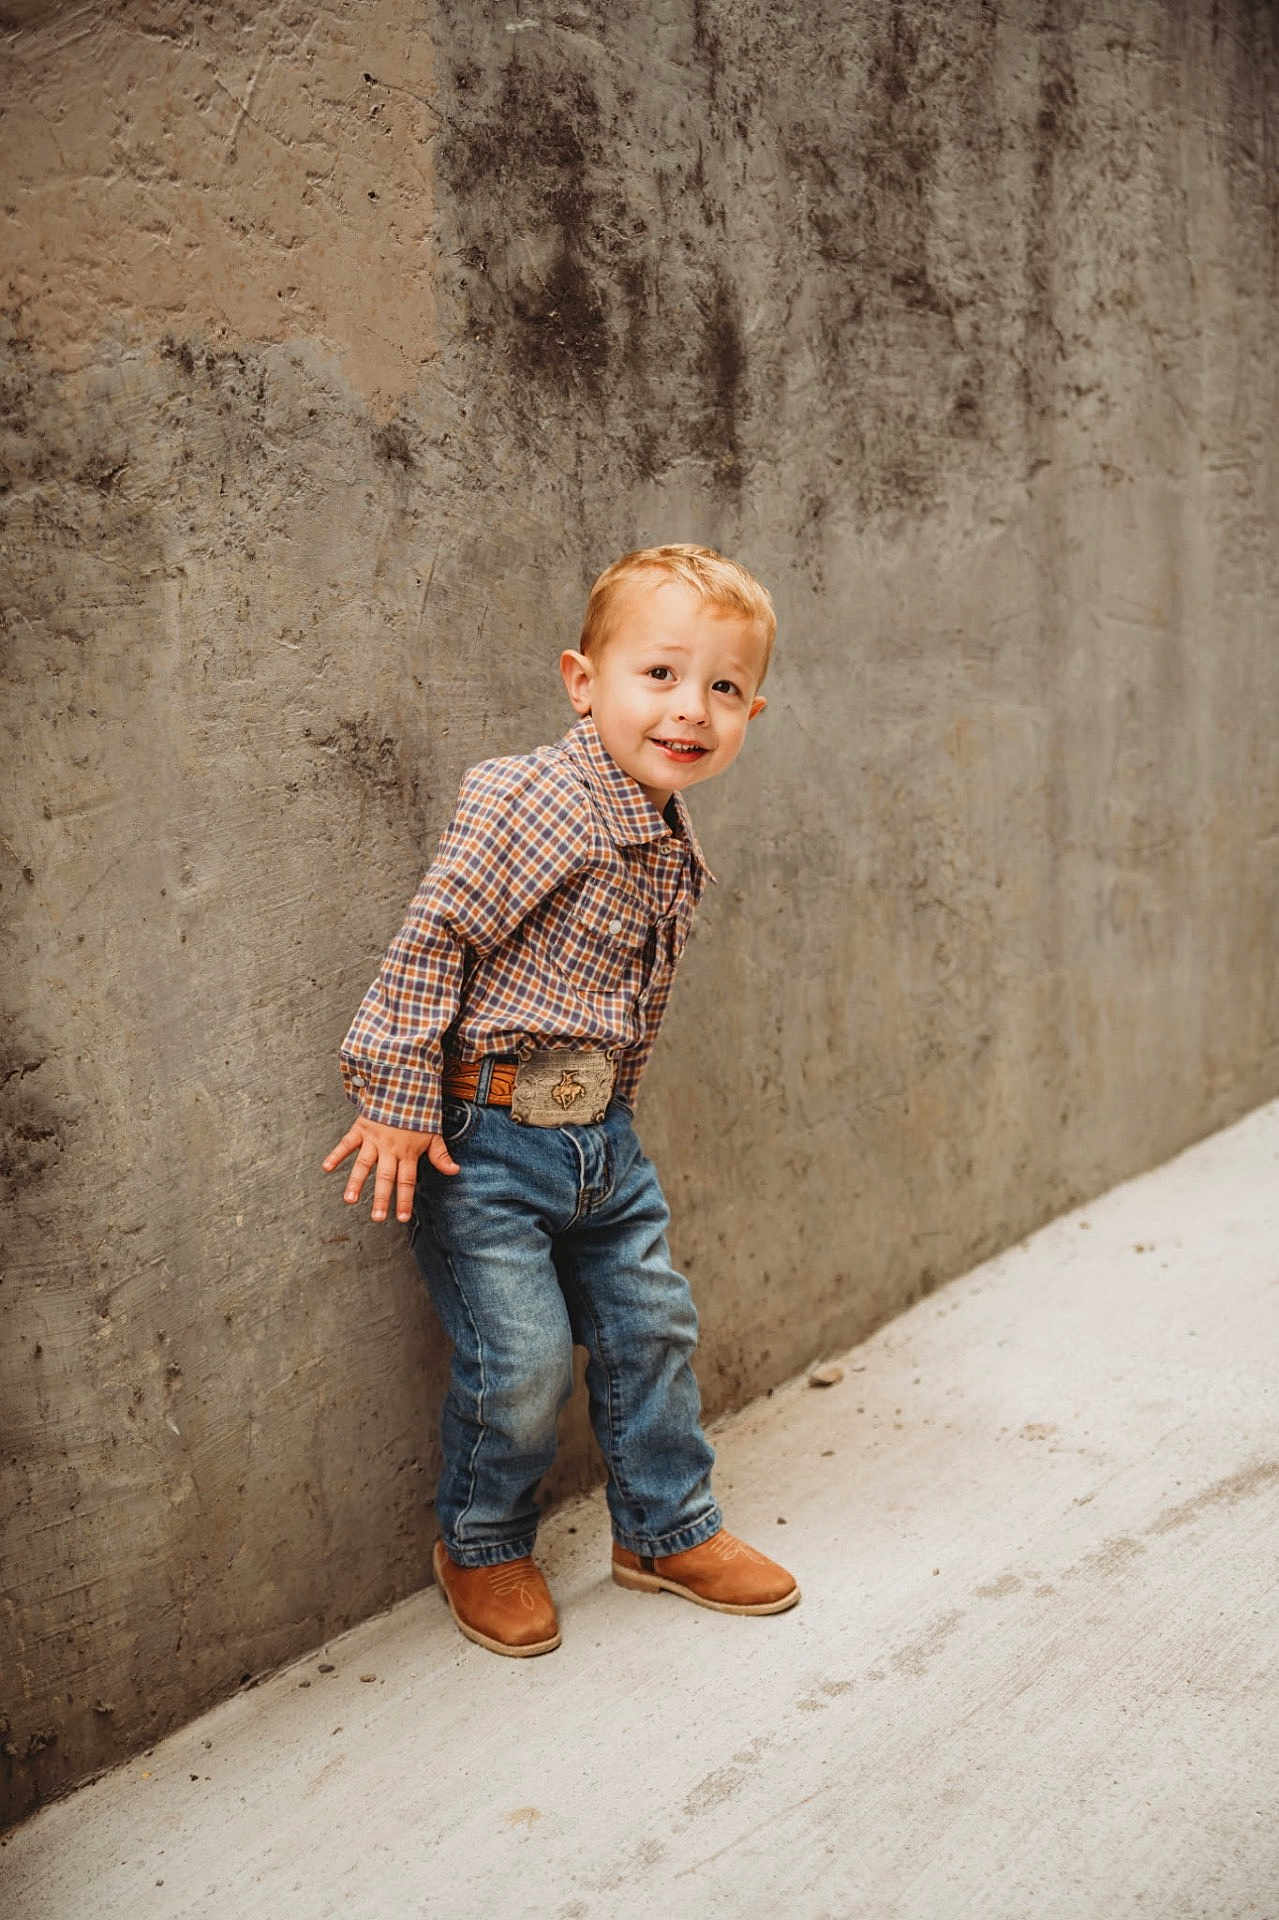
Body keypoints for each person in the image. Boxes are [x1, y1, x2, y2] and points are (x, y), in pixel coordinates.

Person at [323, 544, 800, 1657]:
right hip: (485, 1145)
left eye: (723, 689)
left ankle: (664, 1529)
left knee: (651, 1327)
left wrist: (607, 1119)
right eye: (660, 675)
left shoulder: (659, 826)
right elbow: (435, 937)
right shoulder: (538, 797)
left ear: (751, 712)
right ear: (583, 682)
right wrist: (395, 1095)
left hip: (600, 1144)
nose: (691, 710)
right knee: (522, 1358)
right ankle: (482, 1544)